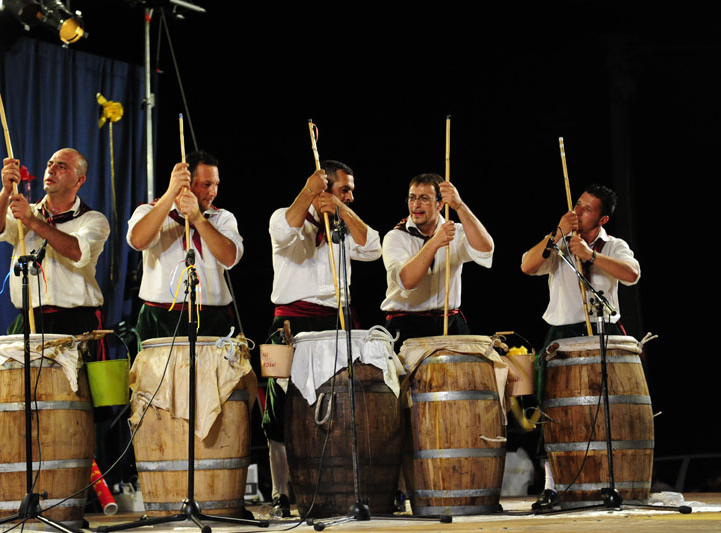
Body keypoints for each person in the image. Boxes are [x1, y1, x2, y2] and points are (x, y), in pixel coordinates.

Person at [264, 160, 382, 515]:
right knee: (280, 408)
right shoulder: (282, 216)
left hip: (337, 318)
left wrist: (341, 207)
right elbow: (286, 231)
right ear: (323, 189)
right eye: (344, 189)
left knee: (343, 404)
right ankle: (280, 491)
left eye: (351, 190)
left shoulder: (343, 224)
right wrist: (309, 191)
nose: (351, 195)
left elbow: (373, 247)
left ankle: (342, 480)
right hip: (290, 322)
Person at [520, 183, 641, 510]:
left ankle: (612, 480)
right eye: (577, 204)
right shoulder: (557, 244)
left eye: (587, 209)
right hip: (563, 332)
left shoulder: (613, 245)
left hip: (604, 330)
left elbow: (631, 274)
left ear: (601, 219)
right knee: (554, 410)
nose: (578, 211)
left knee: (606, 409)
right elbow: (527, 266)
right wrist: (558, 232)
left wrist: (592, 256)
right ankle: (551, 485)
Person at [0, 148, 110, 343]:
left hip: (76, 322)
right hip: (29, 320)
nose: (52, 169)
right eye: (50, 164)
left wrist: (33, 222)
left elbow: (77, 251)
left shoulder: (93, 220)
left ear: (79, 180)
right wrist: (6, 191)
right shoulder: (26, 213)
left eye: (62, 166)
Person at [127, 150, 243, 339]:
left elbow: (230, 258)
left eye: (216, 185)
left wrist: (197, 217)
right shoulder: (148, 211)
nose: (213, 192)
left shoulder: (222, 218)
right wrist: (171, 193)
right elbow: (138, 241)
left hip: (212, 316)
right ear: (186, 184)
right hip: (161, 317)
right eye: (207, 185)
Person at [381, 173, 493, 341]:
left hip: (450, 322)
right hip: (406, 324)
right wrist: (434, 242)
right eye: (412, 198)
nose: (415, 205)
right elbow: (406, 281)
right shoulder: (395, 237)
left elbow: (485, 249)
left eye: (424, 199)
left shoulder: (453, 231)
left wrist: (459, 206)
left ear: (440, 204)